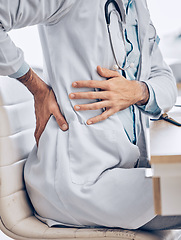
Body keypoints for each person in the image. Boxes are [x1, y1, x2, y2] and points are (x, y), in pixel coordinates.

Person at [0, 0, 180, 230]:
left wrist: (138, 90)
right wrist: (36, 87)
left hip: (128, 170)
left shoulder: (137, 6)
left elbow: (165, 82)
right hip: (80, 180)